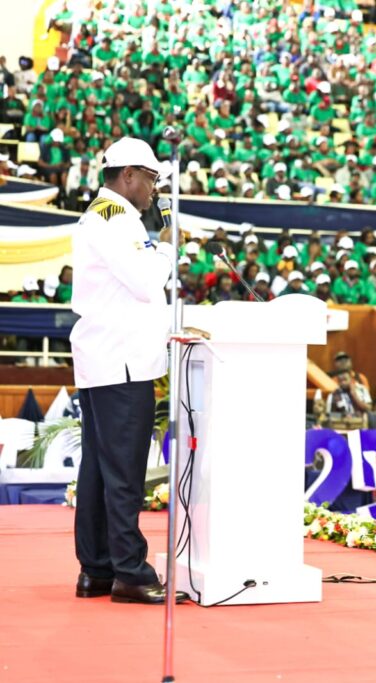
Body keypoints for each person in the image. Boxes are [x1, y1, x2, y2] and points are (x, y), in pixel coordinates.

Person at [69, 137, 187, 605]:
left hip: (111, 359)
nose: (155, 188)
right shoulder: (116, 220)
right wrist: (167, 246)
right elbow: (144, 281)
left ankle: (97, 569)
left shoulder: (108, 216)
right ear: (129, 175)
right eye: (152, 178)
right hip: (122, 364)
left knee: (100, 469)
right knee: (123, 472)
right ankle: (131, 572)